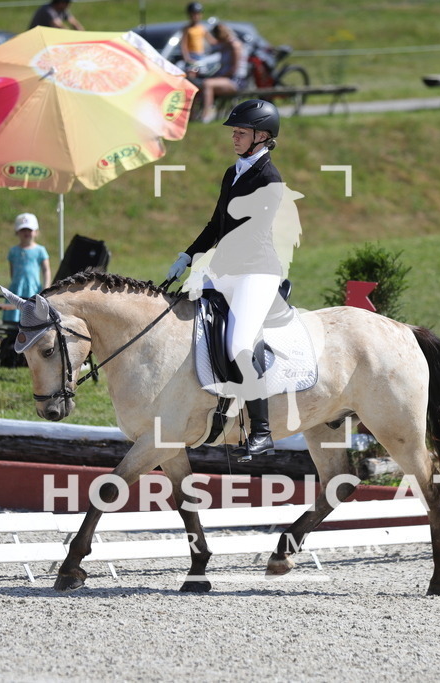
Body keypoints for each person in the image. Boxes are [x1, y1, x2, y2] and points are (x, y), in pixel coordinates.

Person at [165, 99, 298, 459]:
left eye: (241, 132)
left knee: (240, 343)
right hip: (227, 269)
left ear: (262, 136)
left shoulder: (270, 179)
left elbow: (249, 235)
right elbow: (216, 226)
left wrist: (208, 269)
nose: (234, 138)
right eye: (235, 132)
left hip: (256, 272)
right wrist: (187, 256)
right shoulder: (233, 172)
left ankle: (262, 432)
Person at [3, 213, 51, 323]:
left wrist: (46, 287)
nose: (26, 232)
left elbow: (46, 269)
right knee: (15, 314)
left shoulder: (40, 250)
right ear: (17, 232)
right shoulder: (13, 251)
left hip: (33, 288)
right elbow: (12, 270)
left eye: (29, 230)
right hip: (17, 288)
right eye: (23, 230)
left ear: (36, 232)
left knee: (32, 315)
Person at [198, 23, 248, 123]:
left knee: (207, 84)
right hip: (226, 78)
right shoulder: (225, 46)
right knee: (200, 83)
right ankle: (193, 115)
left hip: (235, 80)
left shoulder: (235, 46)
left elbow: (233, 69)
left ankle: (207, 115)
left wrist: (217, 78)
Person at [180, 2, 213, 70]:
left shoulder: (202, 28)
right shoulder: (187, 29)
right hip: (192, 55)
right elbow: (183, 45)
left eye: (198, 14)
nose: (196, 16)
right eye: (193, 14)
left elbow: (212, 41)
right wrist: (187, 58)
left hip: (201, 55)